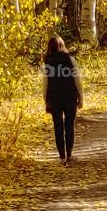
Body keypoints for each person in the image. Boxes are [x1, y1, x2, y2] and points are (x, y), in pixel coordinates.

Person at [42, 36, 83, 165]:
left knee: (58, 127)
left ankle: (61, 157)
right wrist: (81, 97)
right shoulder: (70, 60)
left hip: (54, 99)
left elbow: (45, 85)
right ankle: (69, 155)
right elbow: (77, 81)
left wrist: (46, 100)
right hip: (70, 97)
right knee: (69, 126)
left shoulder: (47, 63)